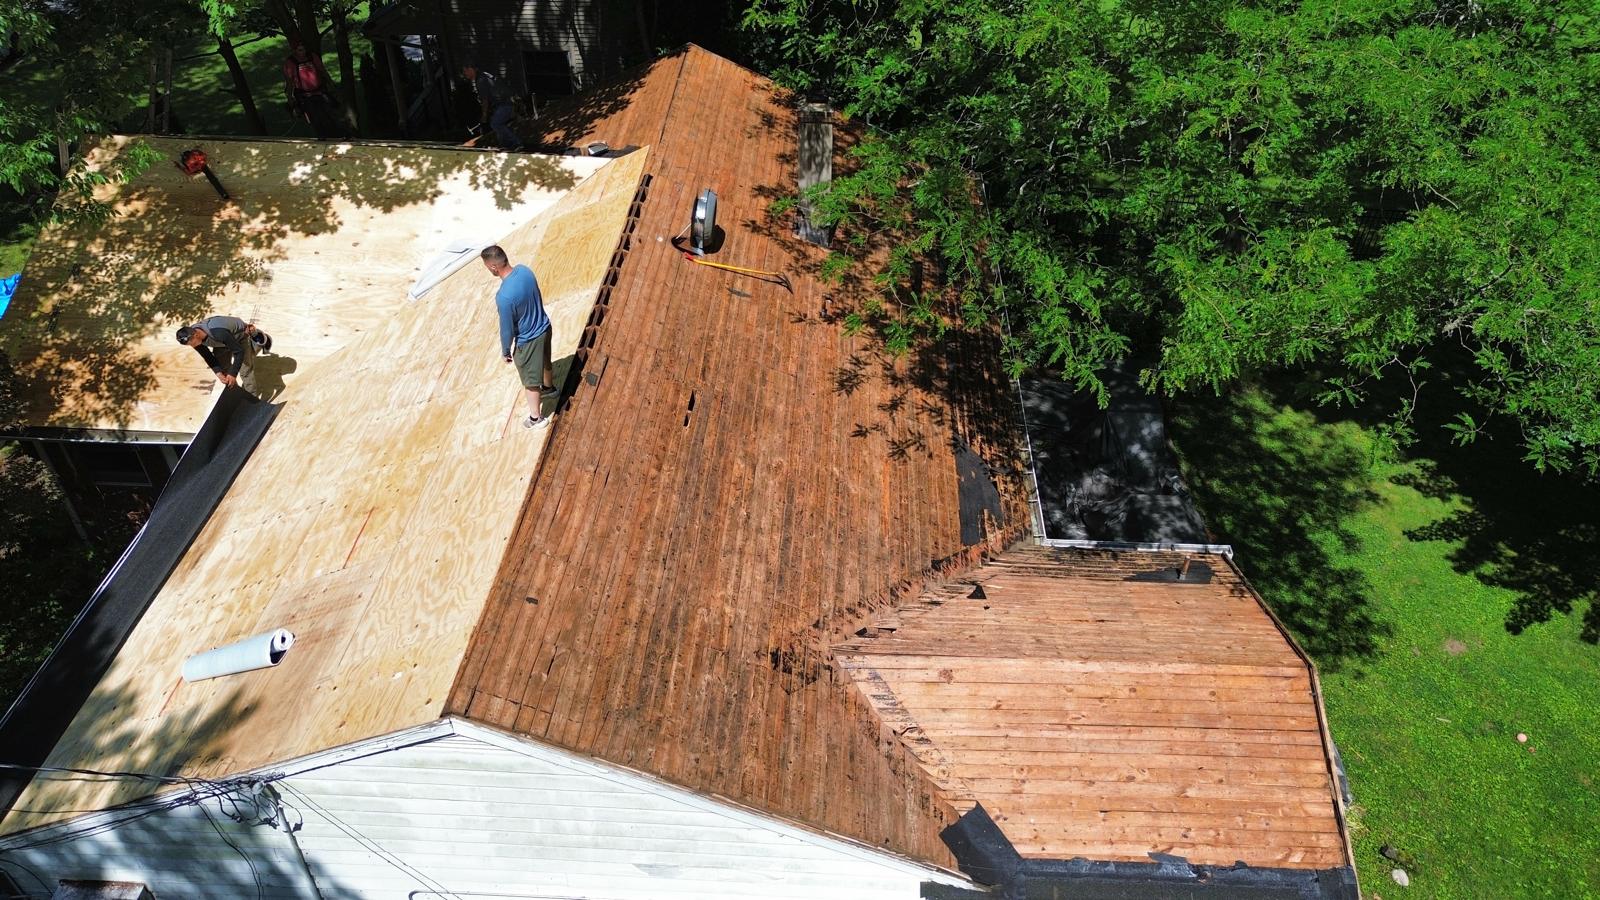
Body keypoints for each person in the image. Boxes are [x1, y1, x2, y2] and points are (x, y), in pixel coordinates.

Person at [482, 245, 555, 428]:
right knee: (545, 361)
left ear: (493, 267)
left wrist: (506, 350)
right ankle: (549, 389)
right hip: (544, 327)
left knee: (530, 381)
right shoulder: (525, 271)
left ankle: (536, 418)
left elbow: (507, 329)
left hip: (528, 340)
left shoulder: (504, 296)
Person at [177, 316, 271, 396]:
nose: (192, 346)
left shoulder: (218, 333)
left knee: (245, 370)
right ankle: (237, 395)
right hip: (221, 342)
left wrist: (233, 373)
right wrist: (218, 372)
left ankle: (252, 400)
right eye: (189, 345)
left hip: (239, 336)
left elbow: (239, 352)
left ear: (196, 335)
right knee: (223, 368)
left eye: (191, 343)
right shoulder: (194, 337)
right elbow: (207, 356)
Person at [283, 42, 346, 140]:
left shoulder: (312, 57)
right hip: (305, 96)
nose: (303, 52)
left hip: (320, 92)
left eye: (304, 49)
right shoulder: (290, 62)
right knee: (315, 119)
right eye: (300, 50)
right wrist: (290, 100)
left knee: (331, 114)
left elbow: (322, 70)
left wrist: (331, 84)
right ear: (295, 51)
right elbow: (289, 82)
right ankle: (323, 138)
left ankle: (340, 136)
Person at [461, 62, 521, 150]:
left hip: (504, 104)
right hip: (506, 102)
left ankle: (516, 143)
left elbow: (484, 100)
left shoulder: (481, 80)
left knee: (495, 123)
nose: (464, 74)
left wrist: (484, 115)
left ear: (471, 69)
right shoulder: (484, 75)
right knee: (498, 123)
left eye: (465, 71)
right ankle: (505, 146)